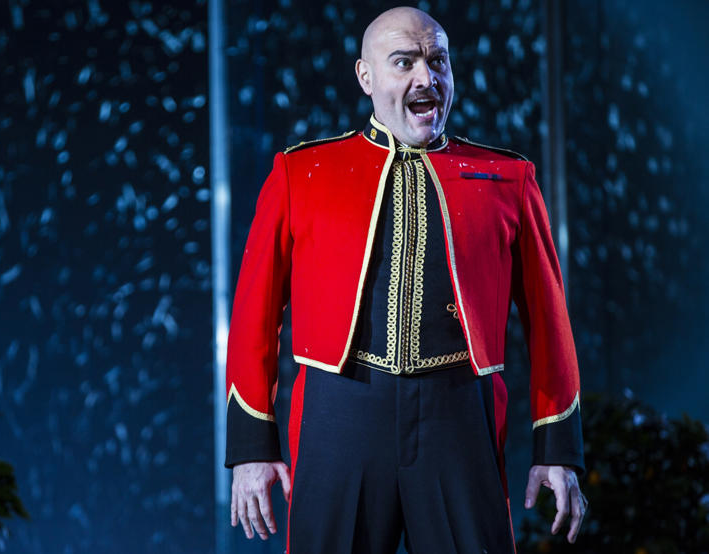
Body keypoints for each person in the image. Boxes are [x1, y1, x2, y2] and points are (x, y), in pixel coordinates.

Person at [225, 6, 587, 553]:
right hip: (339, 413)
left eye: (437, 61)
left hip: (459, 415)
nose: (427, 77)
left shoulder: (509, 179)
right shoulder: (302, 172)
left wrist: (557, 448)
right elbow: (254, 311)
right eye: (404, 62)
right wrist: (252, 445)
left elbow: (550, 322)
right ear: (366, 77)